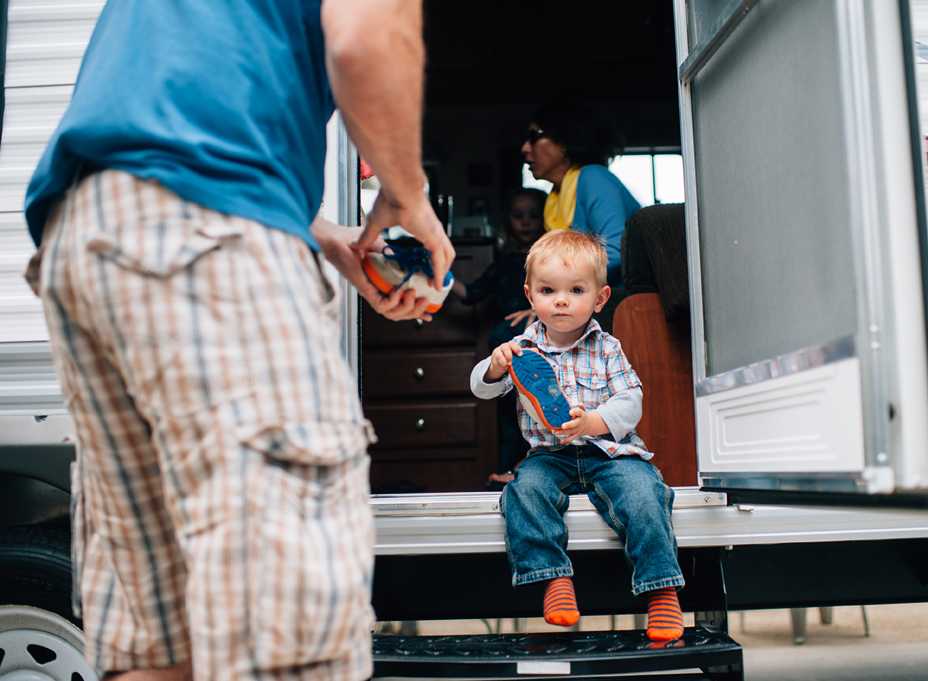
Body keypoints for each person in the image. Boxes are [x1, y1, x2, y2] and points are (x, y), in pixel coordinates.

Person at [22, 2, 454, 680]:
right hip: (208, 235)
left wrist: (325, 234)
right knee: (286, 635)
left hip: (83, 234)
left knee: (161, 647)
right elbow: (367, 41)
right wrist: (406, 194)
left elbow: (170, 114)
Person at [469, 230, 686, 642]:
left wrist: (592, 422)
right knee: (523, 490)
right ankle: (554, 579)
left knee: (645, 493)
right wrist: (496, 367)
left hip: (610, 452)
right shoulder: (520, 348)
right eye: (548, 290)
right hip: (548, 455)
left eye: (576, 290)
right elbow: (481, 388)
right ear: (530, 297)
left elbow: (631, 402)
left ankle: (661, 589)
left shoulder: (607, 347)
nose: (561, 300)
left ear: (600, 299)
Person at [449, 188, 547, 485]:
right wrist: (439, 277)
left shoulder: (551, 261)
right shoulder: (505, 262)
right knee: (511, 416)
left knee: (541, 410)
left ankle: (533, 469)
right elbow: (471, 293)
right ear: (508, 221)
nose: (526, 222)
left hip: (543, 347)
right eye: (519, 216)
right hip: (508, 353)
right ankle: (511, 472)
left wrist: (539, 314)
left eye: (534, 215)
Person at [521, 102, 641, 288]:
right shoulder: (556, 197)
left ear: (564, 143)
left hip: (617, 305)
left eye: (534, 136)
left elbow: (617, 251)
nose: (525, 148)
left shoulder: (593, 176)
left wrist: (558, 292)